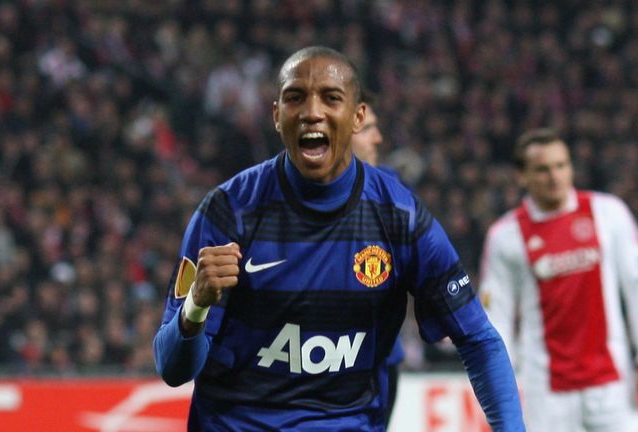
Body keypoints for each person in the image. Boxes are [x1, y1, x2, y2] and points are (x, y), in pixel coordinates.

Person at [154, 46, 525, 431]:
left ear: (357, 116)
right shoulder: (227, 212)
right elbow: (172, 369)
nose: (312, 112)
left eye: (331, 98)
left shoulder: (399, 217)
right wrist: (195, 307)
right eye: (295, 97)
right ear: (277, 115)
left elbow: (479, 339)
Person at [479, 128, 638, 432]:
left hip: (613, 386)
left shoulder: (609, 213)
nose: (555, 176)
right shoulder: (506, 236)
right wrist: (498, 390)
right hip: (546, 392)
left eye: (561, 166)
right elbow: (496, 318)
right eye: (542, 169)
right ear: (521, 176)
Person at [350, 90, 405, 426]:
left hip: (381, 357)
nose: (378, 137)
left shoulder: (391, 187)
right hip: (318, 357)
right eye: (368, 128)